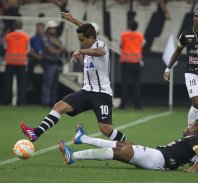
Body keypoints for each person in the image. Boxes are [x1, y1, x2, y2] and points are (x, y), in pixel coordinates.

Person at [20, 12, 126, 142]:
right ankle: (36, 132)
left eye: (82, 40)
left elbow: (100, 52)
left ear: (91, 38)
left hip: (101, 94)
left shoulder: (100, 45)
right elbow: (87, 29)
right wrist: (72, 20)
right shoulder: (89, 40)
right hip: (86, 91)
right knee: (59, 106)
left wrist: (81, 51)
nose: (80, 43)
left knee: (106, 129)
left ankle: (128, 147)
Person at [59, 117, 198, 173]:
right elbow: (189, 156)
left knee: (118, 151)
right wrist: (188, 161)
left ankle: (73, 156)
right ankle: (83, 138)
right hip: (156, 158)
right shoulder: (190, 141)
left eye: (190, 125)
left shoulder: (195, 139)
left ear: (195, 129)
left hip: (157, 159)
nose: (187, 127)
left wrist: (193, 169)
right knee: (123, 144)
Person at [1, 20, 30, 106]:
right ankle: (21, 102)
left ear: (14, 26)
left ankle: (6, 101)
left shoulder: (8, 36)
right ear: (22, 26)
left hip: (10, 62)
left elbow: (5, 47)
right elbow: (28, 49)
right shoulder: (26, 36)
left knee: (7, 83)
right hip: (21, 63)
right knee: (21, 84)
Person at [119, 19, 144, 110]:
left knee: (124, 84)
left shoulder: (124, 35)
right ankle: (138, 105)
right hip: (136, 62)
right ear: (137, 27)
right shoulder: (140, 36)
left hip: (125, 62)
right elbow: (141, 45)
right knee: (136, 84)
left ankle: (123, 105)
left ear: (129, 26)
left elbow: (121, 45)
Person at [40, 20, 65, 107]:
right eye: (52, 28)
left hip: (56, 63)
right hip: (49, 63)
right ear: (48, 29)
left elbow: (64, 49)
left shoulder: (56, 39)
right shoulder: (45, 38)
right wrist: (58, 47)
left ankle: (52, 102)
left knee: (54, 84)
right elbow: (51, 50)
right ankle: (45, 102)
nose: (54, 30)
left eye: (54, 28)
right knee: (48, 83)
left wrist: (57, 46)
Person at [27, 22, 45, 92]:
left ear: (43, 29)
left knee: (48, 63)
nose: (38, 30)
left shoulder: (46, 38)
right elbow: (31, 51)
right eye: (37, 29)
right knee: (30, 62)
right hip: (36, 57)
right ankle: (30, 83)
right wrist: (37, 56)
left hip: (45, 57)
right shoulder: (33, 38)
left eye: (40, 29)